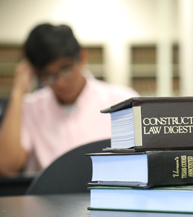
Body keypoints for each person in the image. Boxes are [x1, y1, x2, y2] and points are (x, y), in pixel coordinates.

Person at [0, 23, 139, 176]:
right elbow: (7, 167)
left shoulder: (122, 101)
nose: (59, 82)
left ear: (82, 57)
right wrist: (18, 91)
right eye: (48, 75)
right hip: (47, 198)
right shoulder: (30, 108)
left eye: (65, 69)